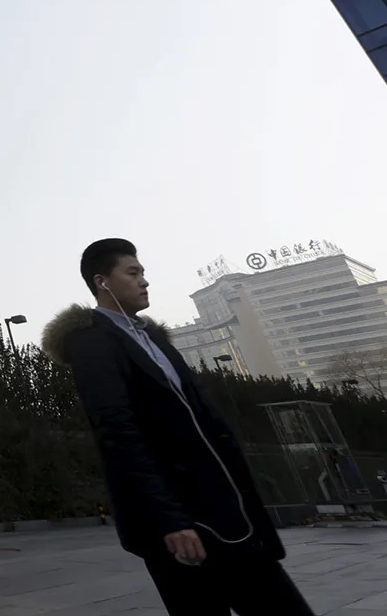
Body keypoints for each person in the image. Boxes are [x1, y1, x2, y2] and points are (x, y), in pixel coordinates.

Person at [43, 238, 313, 616]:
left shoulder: (154, 338)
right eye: (133, 273)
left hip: (224, 511)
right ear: (102, 282)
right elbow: (118, 434)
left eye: (143, 273)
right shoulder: (93, 342)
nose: (144, 281)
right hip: (177, 525)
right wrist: (168, 520)